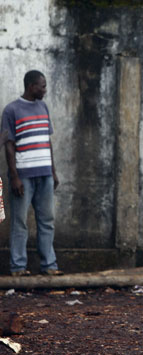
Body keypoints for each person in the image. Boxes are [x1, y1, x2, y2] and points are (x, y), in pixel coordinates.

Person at [1, 70, 63, 276]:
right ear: (31, 86)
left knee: (47, 220)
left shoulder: (43, 107)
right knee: (19, 222)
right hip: (24, 176)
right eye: (42, 86)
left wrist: (53, 171)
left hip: (44, 174)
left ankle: (49, 265)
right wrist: (15, 176)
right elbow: (8, 146)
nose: (45, 90)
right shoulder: (11, 110)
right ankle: (18, 267)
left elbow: (48, 141)